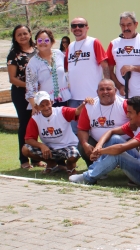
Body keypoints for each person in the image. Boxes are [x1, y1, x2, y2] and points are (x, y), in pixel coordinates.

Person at [69, 96, 140, 186]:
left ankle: (88, 178)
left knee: (118, 155)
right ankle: (92, 171)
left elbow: (121, 148)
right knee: (115, 138)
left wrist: (99, 151)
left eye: (130, 113)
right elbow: (111, 131)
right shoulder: (137, 123)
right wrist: (98, 146)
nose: (127, 115)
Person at [22, 91, 87, 176]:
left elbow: (77, 111)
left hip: (68, 146)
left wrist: (85, 103)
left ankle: (70, 165)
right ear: (36, 107)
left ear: (51, 102)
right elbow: (28, 139)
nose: (46, 108)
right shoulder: (35, 119)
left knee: (74, 154)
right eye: (42, 105)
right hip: (49, 149)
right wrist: (42, 146)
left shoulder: (62, 111)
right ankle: (51, 163)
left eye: (47, 104)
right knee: (25, 149)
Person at [7, 25, 39, 169]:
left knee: (38, 124)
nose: (23, 36)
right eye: (19, 34)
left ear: (30, 34)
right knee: (25, 125)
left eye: (25, 33)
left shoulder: (38, 51)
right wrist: (29, 87)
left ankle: (36, 159)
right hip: (21, 94)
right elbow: (12, 79)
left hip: (39, 93)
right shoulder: (14, 54)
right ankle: (24, 160)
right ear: (15, 38)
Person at [77, 79, 129, 167]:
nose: (105, 92)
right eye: (102, 89)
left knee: (118, 139)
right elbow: (82, 129)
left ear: (115, 91)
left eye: (108, 89)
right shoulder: (89, 106)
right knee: (82, 145)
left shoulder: (125, 104)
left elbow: (136, 125)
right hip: (97, 144)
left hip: (120, 143)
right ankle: (94, 166)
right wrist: (85, 144)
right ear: (97, 92)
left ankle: (128, 168)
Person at [107, 12, 140, 98]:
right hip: (121, 96)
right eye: (122, 25)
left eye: (129, 24)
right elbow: (109, 70)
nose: (126, 28)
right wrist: (119, 86)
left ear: (136, 24)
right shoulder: (114, 44)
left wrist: (133, 68)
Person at [66, 17, 109, 112]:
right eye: (74, 26)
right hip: (73, 98)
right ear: (71, 29)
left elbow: (105, 65)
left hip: (92, 97)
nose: (77, 28)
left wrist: (107, 87)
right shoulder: (70, 46)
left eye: (80, 25)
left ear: (87, 28)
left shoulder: (94, 42)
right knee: (75, 126)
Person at [26, 29, 71, 110]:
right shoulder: (33, 63)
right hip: (45, 103)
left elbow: (68, 70)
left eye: (46, 40)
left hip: (64, 99)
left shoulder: (59, 54)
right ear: (36, 43)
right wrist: (34, 106)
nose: (43, 43)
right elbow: (30, 87)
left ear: (52, 42)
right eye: (39, 40)